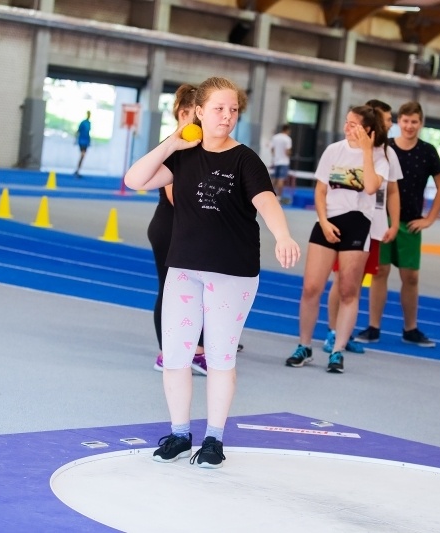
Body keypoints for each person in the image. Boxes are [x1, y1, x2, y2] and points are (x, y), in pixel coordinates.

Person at [124, 76, 300, 468]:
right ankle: (180, 434)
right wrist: (172, 143)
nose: (227, 116)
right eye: (218, 109)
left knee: (220, 358)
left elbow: (266, 200)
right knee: (176, 356)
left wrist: (283, 234)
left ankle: (214, 440)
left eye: (233, 109)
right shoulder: (183, 156)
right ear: (199, 111)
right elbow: (134, 180)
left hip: (232, 273)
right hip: (184, 270)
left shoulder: (245, 159)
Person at [285, 105, 389, 374]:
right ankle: (304, 346)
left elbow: (370, 187)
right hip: (327, 221)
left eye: (353, 124)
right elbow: (320, 191)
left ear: (368, 129)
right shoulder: (333, 150)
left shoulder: (379, 158)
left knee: (347, 290)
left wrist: (366, 150)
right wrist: (324, 221)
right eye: (346, 122)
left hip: (357, 223)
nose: (347, 128)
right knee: (311, 288)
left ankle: (337, 351)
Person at [356, 101, 440, 347]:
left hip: (410, 223)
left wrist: (429, 218)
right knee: (380, 273)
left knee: (411, 277)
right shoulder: (387, 149)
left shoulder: (428, 151)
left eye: (414, 122)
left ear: (421, 123)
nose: (409, 126)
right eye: (405, 121)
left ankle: (410, 328)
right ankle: (373, 327)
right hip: (381, 219)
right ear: (399, 123)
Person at [324, 100, 402, 355]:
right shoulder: (344, 150)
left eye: (390, 119)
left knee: (355, 283)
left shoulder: (387, 153)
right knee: (341, 280)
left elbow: (391, 190)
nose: (389, 124)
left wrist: (394, 221)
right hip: (346, 220)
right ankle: (332, 331)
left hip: (374, 224)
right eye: (386, 119)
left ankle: (344, 333)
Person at [147, 84, 208, 375]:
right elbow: (175, 196)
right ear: (185, 113)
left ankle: (195, 351)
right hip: (170, 228)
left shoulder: (201, 146)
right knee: (170, 291)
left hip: (191, 230)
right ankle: (167, 353)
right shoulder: (174, 146)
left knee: (198, 291)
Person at [270, 124, 292, 199]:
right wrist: (290, 154)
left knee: (274, 179)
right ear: (287, 130)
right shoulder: (287, 139)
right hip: (284, 162)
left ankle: (271, 195)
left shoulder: (275, 137)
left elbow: (272, 149)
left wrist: (275, 157)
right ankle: (279, 196)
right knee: (281, 179)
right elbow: (287, 151)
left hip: (276, 161)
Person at [74, 110, 91, 177]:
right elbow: (78, 130)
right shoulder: (83, 123)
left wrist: (89, 141)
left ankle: (78, 170)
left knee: (82, 156)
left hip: (86, 141)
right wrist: (75, 140)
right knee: (82, 155)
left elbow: (88, 132)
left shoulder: (89, 123)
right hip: (81, 141)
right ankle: (77, 170)